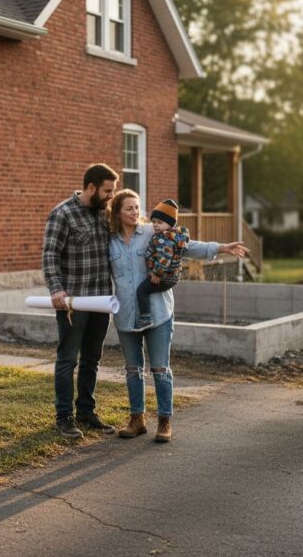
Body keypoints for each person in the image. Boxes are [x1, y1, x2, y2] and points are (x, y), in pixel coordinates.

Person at [107, 189, 249, 441]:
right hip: (126, 315)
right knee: (132, 370)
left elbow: (187, 246)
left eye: (137, 207)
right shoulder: (110, 241)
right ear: (117, 211)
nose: (135, 212)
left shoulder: (153, 231)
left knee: (160, 369)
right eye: (129, 208)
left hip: (159, 313)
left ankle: (164, 421)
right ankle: (136, 419)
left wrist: (221, 247)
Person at [42, 163, 119, 439]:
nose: (112, 196)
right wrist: (56, 289)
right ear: (91, 187)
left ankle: (86, 412)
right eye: (108, 191)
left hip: (101, 301)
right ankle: (64, 417)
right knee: (67, 360)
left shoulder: (104, 214)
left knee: (92, 360)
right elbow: (50, 254)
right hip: (73, 303)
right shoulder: (62, 214)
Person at [133, 199, 189, 332]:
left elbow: (165, 258)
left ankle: (145, 318)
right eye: (154, 222)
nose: (156, 225)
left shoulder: (164, 238)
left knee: (142, 291)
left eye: (160, 222)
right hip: (172, 276)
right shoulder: (175, 237)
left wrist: (158, 274)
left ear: (169, 224)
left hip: (163, 276)